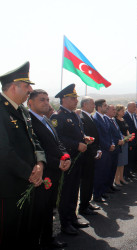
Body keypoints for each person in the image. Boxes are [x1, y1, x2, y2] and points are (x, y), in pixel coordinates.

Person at [0, 62, 46, 249]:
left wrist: (40, 163)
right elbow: (4, 150)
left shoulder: (24, 111)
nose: (30, 90)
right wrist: (30, 172)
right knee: (8, 234)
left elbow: (34, 141)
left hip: (29, 181)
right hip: (9, 187)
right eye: (27, 86)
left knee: (25, 232)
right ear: (13, 86)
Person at [28, 89, 70, 248]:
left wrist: (66, 157)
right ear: (30, 102)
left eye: (47, 99)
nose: (46, 102)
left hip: (54, 173)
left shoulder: (46, 120)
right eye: (42, 100)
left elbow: (57, 142)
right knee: (38, 213)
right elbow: (36, 150)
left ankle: (47, 239)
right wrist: (57, 162)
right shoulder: (29, 122)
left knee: (48, 210)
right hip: (42, 174)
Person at [51, 83, 92, 235]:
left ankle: (73, 218)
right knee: (66, 193)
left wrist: (84, 139)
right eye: (73, 98)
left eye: (76, 98)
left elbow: (76, 133)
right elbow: (58, 138)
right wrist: (76, 144)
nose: (76, 101)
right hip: (68, 160)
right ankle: (65, 223)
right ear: (64, 99)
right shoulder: (58, 116)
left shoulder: (73, 115)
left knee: (74, 191)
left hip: (78, 159)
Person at [78, 97, 102, 216]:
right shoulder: (82, 117)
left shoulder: (89, 117)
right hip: (87, 154)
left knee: (90, 180)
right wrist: (94, 151)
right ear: (85, 105)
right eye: (92, 104)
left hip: (92, 152)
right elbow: (86, 137)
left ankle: (87, 202)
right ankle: (83, 206)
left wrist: (97, 150)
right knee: (86, 181)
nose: (94, 106)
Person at [92, 99, 114, 203]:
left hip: (108, 149)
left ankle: (103, 191)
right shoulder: (95, 118)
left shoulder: (105, 118)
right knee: (99, 173)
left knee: (105, 171)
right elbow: (98, 136)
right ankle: (97, 195)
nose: (107, 107)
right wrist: (108, 146)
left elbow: (109, 134)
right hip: (102, 149)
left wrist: (112, 143)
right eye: (105, 106)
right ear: (99, 107)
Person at [105, 105, 124, 192]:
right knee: (108, 169)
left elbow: (118, 131)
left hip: (117, 147)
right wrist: (117, 141)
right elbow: (109, 134)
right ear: (107, 110)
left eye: (115, 110)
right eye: (113, 109)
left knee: (113, 168)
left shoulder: (113, 120)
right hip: (111, 147)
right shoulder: (106, 120)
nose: (114, 111)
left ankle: (110, 185)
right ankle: (106, 187)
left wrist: (121, 138)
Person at [115, 105, 130, 185]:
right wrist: (125, 137)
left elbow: (126, 129)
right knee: (119, 163)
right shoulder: (115, 120)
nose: (124, 112)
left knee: (123, 162)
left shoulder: (123, 119)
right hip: (120, 142)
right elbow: (118, 132)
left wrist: (129, 135)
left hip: (125, 142)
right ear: (117, 111)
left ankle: (121, 177)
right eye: (122, 111)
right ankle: (116, 179)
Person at [124, 102, 137, 179]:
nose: (135, 108)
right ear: (128, 107)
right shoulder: (125, 116)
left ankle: (129, 172)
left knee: (132, 157)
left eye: (135, 106)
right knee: (128, 157)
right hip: (128, 140)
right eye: (133, 106)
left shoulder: (134, 115)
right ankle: (126, 173)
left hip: (134, 139)